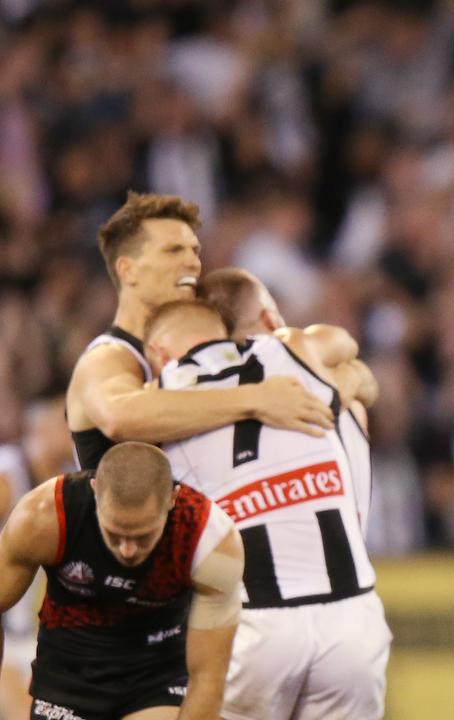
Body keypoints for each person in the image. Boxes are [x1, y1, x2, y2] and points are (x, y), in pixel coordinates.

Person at [143, 299, 390, 720]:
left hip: (253, 623)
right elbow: (345, 346)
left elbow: (111, 420)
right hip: (352, 615)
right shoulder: (289, 350)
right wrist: (342, 386)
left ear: (159, 353)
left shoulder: (153, 400)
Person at [65, 191, 333, 471]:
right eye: (173, 250)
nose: (193, 263)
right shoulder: (106, 357)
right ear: (127, 270)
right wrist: (256, 398)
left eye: (194, 250)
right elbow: (118, 416)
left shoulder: (207, 340)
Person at [0, 441, 243, 720]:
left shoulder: (210, 541)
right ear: (95, 493)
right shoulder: (44, 516)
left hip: (156, 675)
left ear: (171, 500)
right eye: (114, 533)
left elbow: (209, 676)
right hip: (68, 673)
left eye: (142, 536)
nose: (128, 550)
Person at [197, 267, 377, 535]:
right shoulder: (298, 357)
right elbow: (347, 345)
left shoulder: (195, 400)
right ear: (270, 319)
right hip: (348, 564)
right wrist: (352, 377)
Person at [0, 397, 75, 720]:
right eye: (64, 421)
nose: (73, 430)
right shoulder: (7, 473)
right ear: (36, 427)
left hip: (56, 642)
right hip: (12, 643)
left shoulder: (77, 480)